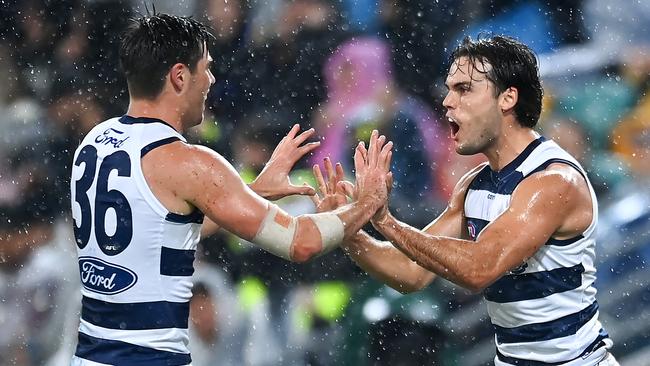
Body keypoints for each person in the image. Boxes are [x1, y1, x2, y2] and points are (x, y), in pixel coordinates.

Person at [69, 13, 393, 366]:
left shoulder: (95, 141)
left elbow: (162, 229)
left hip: (91, 356)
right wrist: (367, 202)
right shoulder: (191, 163)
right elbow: (300, 243)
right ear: (179, 76)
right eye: (205, 67)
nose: (211, 79)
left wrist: (252, 192)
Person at [312, 36, 619, 365]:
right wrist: (349, 230)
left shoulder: (554, 181)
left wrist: (384, 219)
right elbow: (410, 273)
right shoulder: (474, 184)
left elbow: (478, 268)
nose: (447, 101)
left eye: (464, 89)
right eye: (449, 88)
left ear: (508, 98)